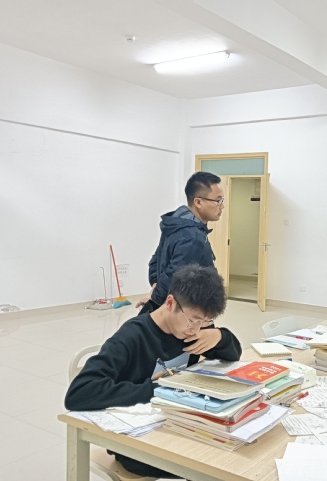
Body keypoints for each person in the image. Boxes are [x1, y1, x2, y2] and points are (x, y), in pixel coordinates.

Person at [65, 264, 241, 478]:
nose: (196, 329)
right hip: (137, 444)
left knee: (231, 452)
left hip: (179, 426)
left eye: (205, 322)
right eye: (193, 320)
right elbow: (79, 393)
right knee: (216, 469)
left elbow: (233, 355)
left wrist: (219, 336)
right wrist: (161, 390)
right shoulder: (132, 336)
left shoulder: (193, 331)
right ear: (170, 303)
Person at [138, 171, 224, 314]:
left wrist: (155, 288)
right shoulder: (192, 236)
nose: (222, 206)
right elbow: (173, 277)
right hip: (184, 312)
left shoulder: (177, 223)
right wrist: (155, 301)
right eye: (218, 200)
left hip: (175, 307)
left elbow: (155, 262)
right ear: (198, 202)